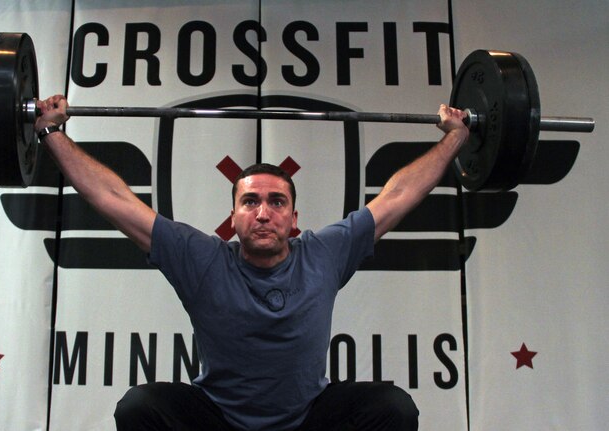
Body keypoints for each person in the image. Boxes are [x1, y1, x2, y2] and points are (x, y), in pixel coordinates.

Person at [35, 95, 469, 431]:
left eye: (277, 202)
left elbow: (397, 197)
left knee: (393, 409)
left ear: (294, 218)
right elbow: (114, 200)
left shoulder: (324, 253)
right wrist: (52, 133)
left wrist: (455, 136)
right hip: (219, 421)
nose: (264, 213)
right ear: (234, 216)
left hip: (306, 421)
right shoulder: (201, 259)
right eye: (251, 202)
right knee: (139, 408)